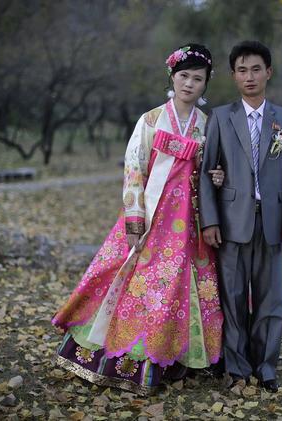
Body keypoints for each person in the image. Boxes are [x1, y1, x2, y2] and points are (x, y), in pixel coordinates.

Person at [52, 44, 225, 395]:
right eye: (184, 76)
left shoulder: (208, 125)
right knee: (142, 283)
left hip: (190, 222)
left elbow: (210, 171)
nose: (189, 84)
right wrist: (135, 216)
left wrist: (217, 178)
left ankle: (175, 358)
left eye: (197, 79)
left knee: (178, 289)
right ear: (172, 78)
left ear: (206, 84)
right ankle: (125, 357)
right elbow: (134, 168)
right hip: (153, 216)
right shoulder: (150, 120)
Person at [198, 41, 282, 393]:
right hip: (231, 223)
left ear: (268, 72)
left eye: (256, 69)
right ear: (233, 76)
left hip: (272, 222)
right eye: (242, 70)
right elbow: (206, 171)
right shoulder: (221, 117)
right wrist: (210, 220)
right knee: (233, 297)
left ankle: (267, 365)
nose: (249, 76)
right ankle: (237, 366)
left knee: (270, 299)